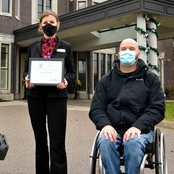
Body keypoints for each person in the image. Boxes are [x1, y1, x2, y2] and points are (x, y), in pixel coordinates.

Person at [89, 38, 165, 174]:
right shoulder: (106, 80)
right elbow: (96, 108)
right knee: (105, 141)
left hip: (140, 130)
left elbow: (157, 108)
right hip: (113, 128)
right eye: (123, 49)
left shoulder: (150, 79)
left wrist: (138, 126)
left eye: (131, 49)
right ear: (118, 54)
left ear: (138, 54)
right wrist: (105, 125)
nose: (127, 52)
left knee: (133, 142)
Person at [23, 10, 76, 174]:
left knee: (57, 140)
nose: (49, 25)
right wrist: (27, 79)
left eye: (52, 22)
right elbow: (26, 71)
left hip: (57, 99)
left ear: (58, 25)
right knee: (40, 140)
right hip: (35, 98)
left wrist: (65, 81)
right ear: (40, 26)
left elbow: (72, 73)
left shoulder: (66, 47)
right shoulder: (32, 46)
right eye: (45, 23)